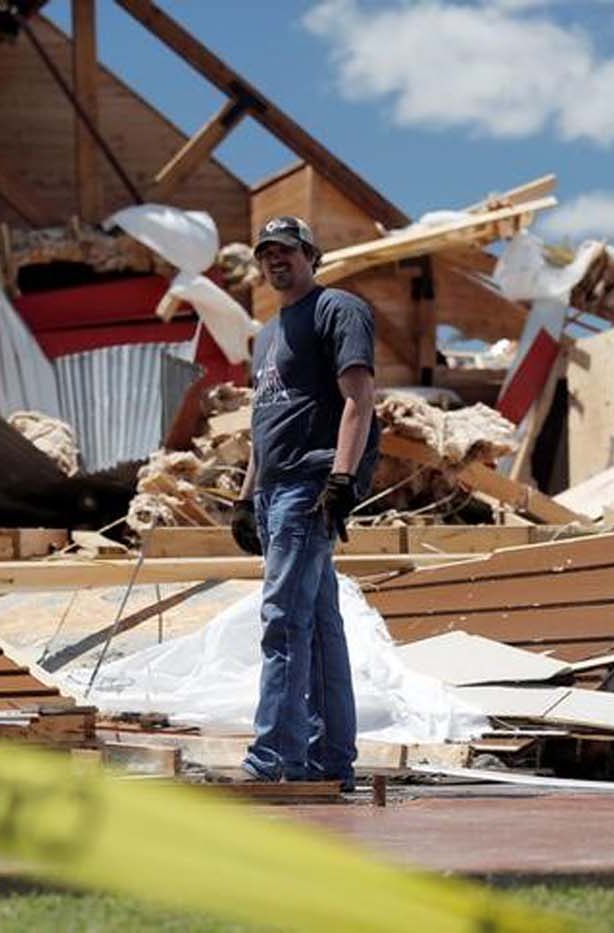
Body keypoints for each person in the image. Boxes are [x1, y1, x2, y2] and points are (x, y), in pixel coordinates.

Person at [231, 215, 379, 788]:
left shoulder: (338, 310)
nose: (275, 260)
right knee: (317, 625)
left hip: (308, 488)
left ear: (310, 255)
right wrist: (245, 499)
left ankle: (274, 762)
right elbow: (262, 422)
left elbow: (359, 399)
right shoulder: (267, 333)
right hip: (273, 493)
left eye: (286, 251)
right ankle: (329, 763)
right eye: (267, 252)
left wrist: (341, 480)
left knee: (283, 622)